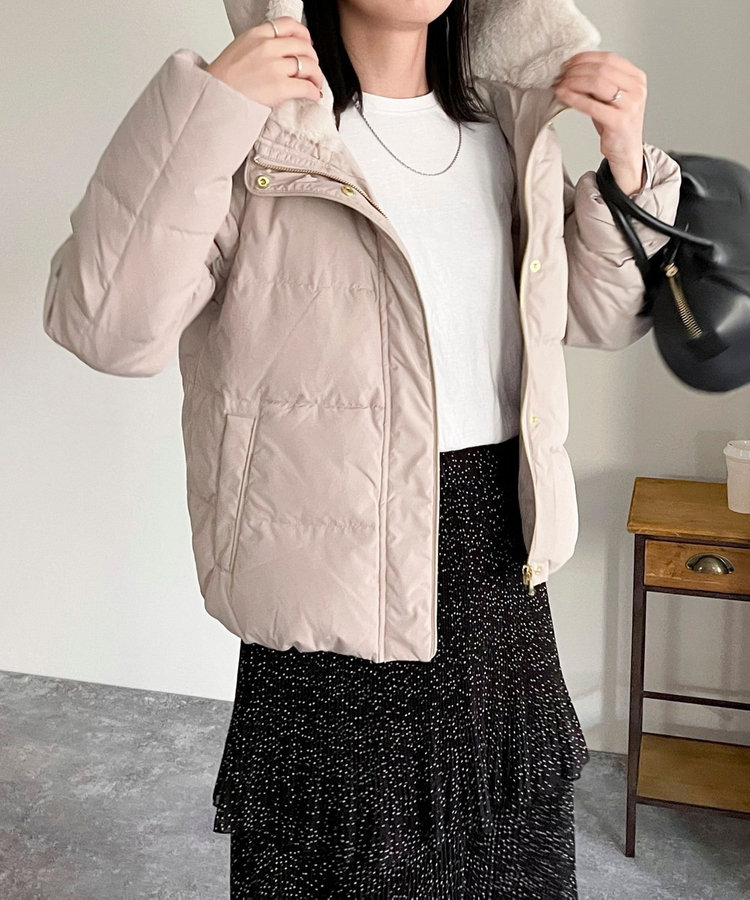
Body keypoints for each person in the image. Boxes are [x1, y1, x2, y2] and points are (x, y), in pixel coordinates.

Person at [43, 0, 682, 895]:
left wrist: (626, 166)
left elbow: (601, 317)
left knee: (513, 871)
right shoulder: (263, 133)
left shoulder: (509, 128)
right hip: (326, 582)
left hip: (496, 571)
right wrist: (209, 108)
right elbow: (107, 327)